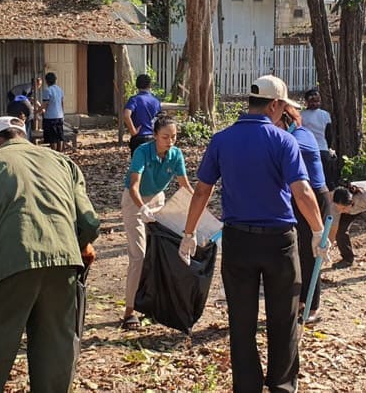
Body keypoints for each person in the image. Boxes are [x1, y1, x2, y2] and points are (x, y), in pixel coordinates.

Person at [179, 75, 326, 393]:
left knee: (242, 321)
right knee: (283, 318)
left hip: (238, 242)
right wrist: (317, 231)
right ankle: (282, 385)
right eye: (283, 106)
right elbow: (302, 191)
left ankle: (247, 387)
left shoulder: (222, 139)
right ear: (274, 104)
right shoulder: (283, 140)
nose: (284, 113)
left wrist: (189, 232)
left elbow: (203, 189)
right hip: (279, 243)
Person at [0, 116, 100, 393]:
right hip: (64, 263)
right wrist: (78, 245)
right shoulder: (63, 162)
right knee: (54, 352)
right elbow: (89, 222)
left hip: (10, 263)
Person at [120, 114, 194, 330]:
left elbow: (184, 185)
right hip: (135, 202)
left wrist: (200, 208)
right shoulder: (143, 152)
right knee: (139, 254)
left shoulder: (176, 154)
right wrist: (142, 208)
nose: (169, 142)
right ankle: (129, 311)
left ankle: (154, 303)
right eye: (165, 137)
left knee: (161, 252)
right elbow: (134, 186)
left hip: (158, 200)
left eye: (173, 137)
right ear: (154, 136)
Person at [276, 104, 330, 324]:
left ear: (287, 120)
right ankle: (300, 301)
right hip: (296, 197)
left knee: (311, 253)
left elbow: (293, 149)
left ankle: (312, 306)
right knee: (297, 252)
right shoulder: (284, 137)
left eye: (276, 122)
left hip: (314, 197)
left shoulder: (302, 134)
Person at [301, 88, 337, 186]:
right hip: (323, 150)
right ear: (319, 100)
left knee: (309, 181)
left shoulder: (301, 116)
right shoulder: (325, 115)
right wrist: (328, 147)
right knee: (326, 180)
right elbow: (329, 134)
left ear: (306, 102)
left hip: (307, 152)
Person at [123, 74, 162, 156]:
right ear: (150, 85)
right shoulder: (156, 101)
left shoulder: (134, 100)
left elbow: (126, 115)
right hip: (153, 137)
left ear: (137, 85)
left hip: (139, 138)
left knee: (138, 166)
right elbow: (159, 119)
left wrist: (133, 131)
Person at [41, 72, 65, 152]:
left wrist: (37, 111)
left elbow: (45, 104)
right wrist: (62, 113)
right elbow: (62, 103)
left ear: (46, 81)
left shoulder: (47, 90)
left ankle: (54, 154)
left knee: (52, 138)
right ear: (55, 80)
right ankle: (60, 153)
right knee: (59, 136)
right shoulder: (60, 89)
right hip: (60, 116)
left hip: (50, 117)